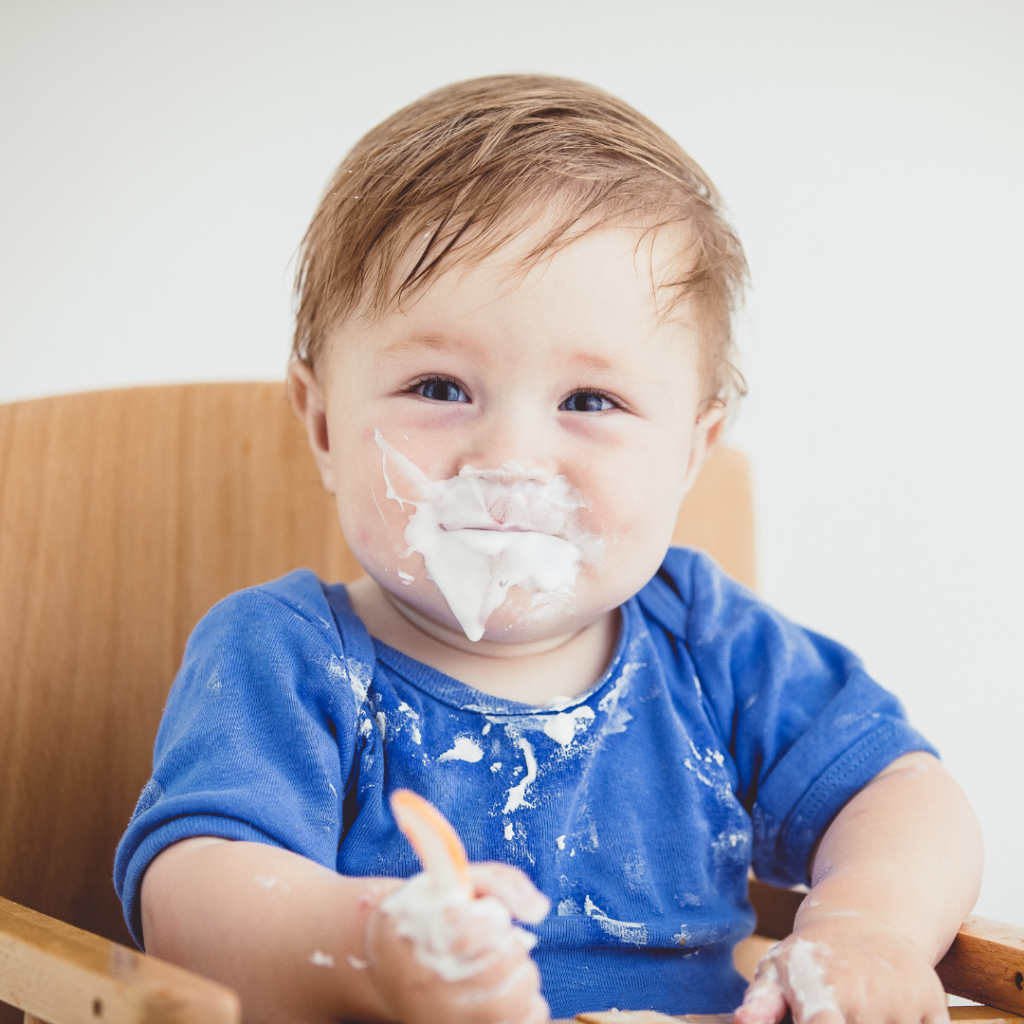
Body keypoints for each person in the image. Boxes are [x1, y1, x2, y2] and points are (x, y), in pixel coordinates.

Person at [115, 75, 982, 1024]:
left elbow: (904, 794)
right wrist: (374, 948)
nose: (513, 459)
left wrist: (867, 927)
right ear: (323, 425)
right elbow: (190, 897)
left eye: (589, 402)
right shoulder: (286, 656)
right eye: (440, 388)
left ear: (690, 452)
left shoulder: (708, 644)